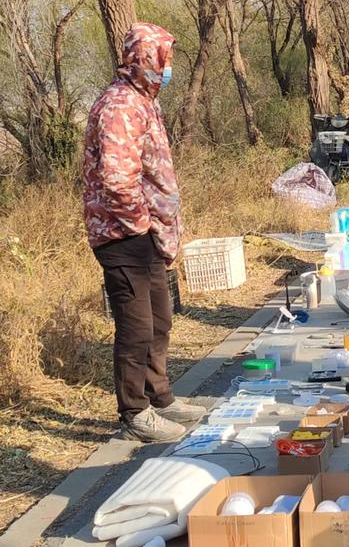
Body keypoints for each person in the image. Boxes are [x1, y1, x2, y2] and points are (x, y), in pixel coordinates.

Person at [83, 23, 205, 443]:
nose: (168, 68)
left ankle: (161, 397)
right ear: (146, 59)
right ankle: (134, 412)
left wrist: (161, 229)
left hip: (146, 232)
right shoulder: (120, 105)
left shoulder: (144, 101)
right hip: (122, 235)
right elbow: (117, 181)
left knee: (159, 318)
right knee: (135, 327)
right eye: (164, 59)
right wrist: (140, 226)